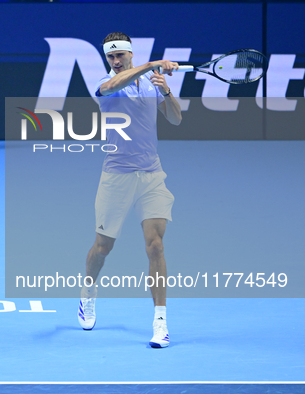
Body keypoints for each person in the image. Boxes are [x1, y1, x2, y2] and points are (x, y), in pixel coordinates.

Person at [77, 32, 182, 348]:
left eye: (120, 55)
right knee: (102, 247)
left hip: (151, 175)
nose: (116, 60)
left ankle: (160, 322)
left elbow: (175, 119)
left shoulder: (151, 84)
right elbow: (113, 84)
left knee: (156, 246)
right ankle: (88, 293)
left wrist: (168, 92)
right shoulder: (104, 85)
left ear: (130, 53)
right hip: (117, 177)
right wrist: (152, 64)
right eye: (111, 56)